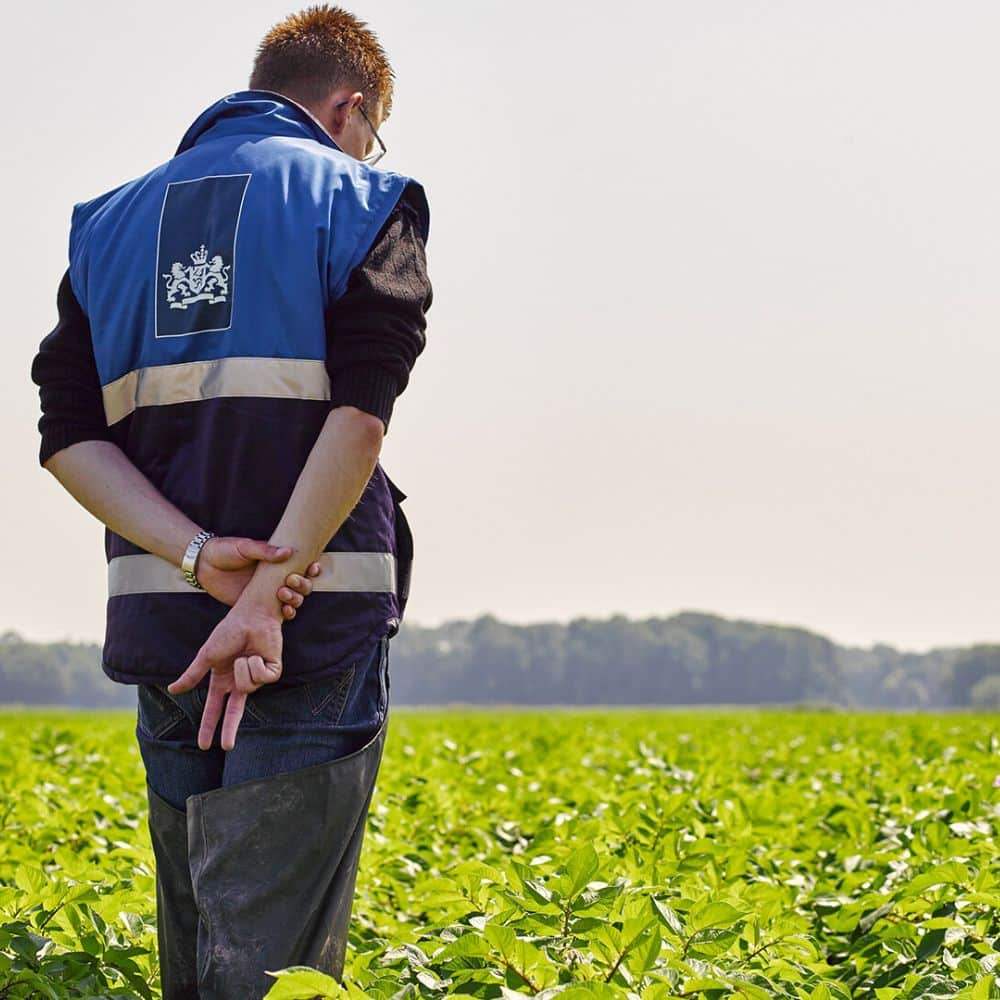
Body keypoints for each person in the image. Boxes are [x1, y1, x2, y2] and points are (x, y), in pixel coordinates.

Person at [29, 5, 432, 997]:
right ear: (350, 108)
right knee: (271, 967)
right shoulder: (362, 196)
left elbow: (67, 438)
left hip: (168, 625)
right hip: (314, 628)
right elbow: (363, 414)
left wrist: (200, 555)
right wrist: (264, 598)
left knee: (195, 950)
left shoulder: (109, 225)